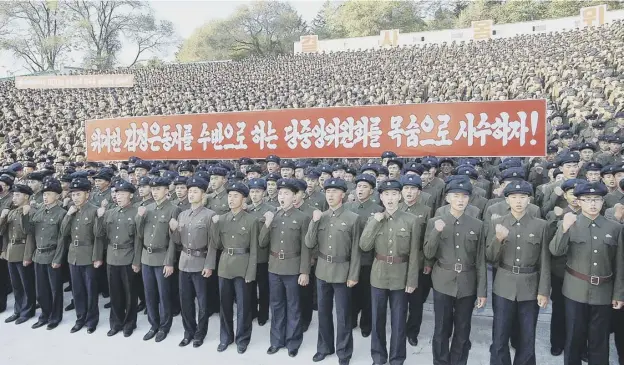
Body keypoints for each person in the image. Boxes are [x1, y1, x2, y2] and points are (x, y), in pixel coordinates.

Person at [550, 181, 624, 365]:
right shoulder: (569, 222)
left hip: (603, 293)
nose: (592, 204)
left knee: (600, 341)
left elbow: (620, 264)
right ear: (579, 201)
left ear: (602, 202)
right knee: (574, 338)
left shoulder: (614, 228)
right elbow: (556, 251)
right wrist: (564, 229)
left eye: (597, 200)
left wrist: (618, 294)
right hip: (575, 291)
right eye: (588, 199)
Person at [486, 180, 550, 365]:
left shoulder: (541, 225)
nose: (518, 201)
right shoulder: (497, 222)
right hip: (504, 285)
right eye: (514, 197)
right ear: (507, 200)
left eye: (523, 197)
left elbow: (545, 261)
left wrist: (543, 291)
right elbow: (489, 257)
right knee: (500, 335)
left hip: (530, 286)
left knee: (527, 336)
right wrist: (498, 239)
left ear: (529, 200)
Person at [423, 178, 487, 365]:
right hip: (443, 281)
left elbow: (481, 260)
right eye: (456, 196)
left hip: (467, 282)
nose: (460, 200)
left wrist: (482, 291)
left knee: (463, 327)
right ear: (448, 198)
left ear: (469, 199)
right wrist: (436, 232)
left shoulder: (477, 225)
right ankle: (440, 361)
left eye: (464, 196)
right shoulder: (436, 221)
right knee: (441, 327)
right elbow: (428, 252)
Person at [359, 179, 420, 365]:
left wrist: (412, 281)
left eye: (394, 194)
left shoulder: (411, 221)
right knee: (377, 319)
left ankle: (397, 358)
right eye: (386, 194)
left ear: (400, 196)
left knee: (399, 320)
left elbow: (415, 253)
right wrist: (374, 223)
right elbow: (364, 245)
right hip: (378, 275)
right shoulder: (374, 219)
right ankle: (378, 357)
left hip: (400, 277)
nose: (390, 198)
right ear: (381, 197)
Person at [305, 177, 361, 365]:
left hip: (343, 272)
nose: (330, 195)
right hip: (322, 270)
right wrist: (313, 222)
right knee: (323, 313)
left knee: (343, 315)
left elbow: (356, 250)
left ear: (343, 195)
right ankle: (324, 347)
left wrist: (353, 275)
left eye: (334, 192)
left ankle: (344, 352)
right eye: (328, 192)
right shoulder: (321, 216)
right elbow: (309, 243)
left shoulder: (353, 218)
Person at [259, 178, 311, 357]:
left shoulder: (303, 218)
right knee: (276, 305)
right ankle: (276, 341)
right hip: (274, 267)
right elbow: (262, 242)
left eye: (286, 193)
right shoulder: (273, 215)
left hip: (293, 268)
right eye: (280, 193)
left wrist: (304, 271)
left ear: (295, 196)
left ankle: (293, 342)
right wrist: (267, 223)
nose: (282, 197)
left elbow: (306, 248)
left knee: (294, 306)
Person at [211, 181, 258, 354]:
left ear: (243, 199)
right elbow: (216, 244)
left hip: (243, 265)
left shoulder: (251, 220)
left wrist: (250, 272)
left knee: (244, 307)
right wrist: (214, 226)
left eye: (235, 196)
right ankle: (226, 337)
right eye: (229, 196)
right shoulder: (222, 219)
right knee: (225, 305)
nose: (231, 199)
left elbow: (254, 250)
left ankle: (242, 339)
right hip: (225, 266)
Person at [170, 177, 215, 348]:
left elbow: (212, 244)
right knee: (185, 301)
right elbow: (177, 241)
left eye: (195, 191)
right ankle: (188, 332)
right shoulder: (182, 214)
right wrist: (173, 229)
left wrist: (209, 265)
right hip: (184, 263)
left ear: (203, 194)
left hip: (201, 263)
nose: (191, 194)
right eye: (189, 191)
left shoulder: (210, 215)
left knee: (203, 303)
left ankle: (199, 333)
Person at [136, 177, 181, 343]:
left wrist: (169, 262)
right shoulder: (146, 208)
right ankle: (153, 325)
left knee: (164, 295)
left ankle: (164, 326)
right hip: (147, 257)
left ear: (166, 191)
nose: (155, 192)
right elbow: (140, 235)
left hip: (162, 258)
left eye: (158, 189)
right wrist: (140, 218)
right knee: (149, 295)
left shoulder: (173, 209)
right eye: (153, 189)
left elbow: (172, 240)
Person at [95, 180, 140, 338]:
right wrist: (100, 218)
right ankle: (116, 323)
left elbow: (138, 240)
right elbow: (99, 235)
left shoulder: (136, 213)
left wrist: (136, 261)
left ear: (131, 195)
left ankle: (129, 323)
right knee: (115, 294)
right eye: (116, 193)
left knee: (129, 294)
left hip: (128, 257)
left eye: (122, 194)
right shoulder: (110, 212)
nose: (118, 196)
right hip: (112, 258)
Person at [60, 178, 103, 334]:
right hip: (74, 256)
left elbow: (98, 236)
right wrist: (68, 215)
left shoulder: (94, 210)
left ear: (88, 194)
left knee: (90, 290)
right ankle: (80, 318)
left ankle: (91, 320)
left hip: (89, 255)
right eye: (73, 195)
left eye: (79, 194)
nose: (75, 197)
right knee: (77, 290)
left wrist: (97, 257)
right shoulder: (71, 210)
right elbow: (63, 233)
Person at [345, 174, 384, 338]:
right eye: (359, 186)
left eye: (365, 187)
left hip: (368, 260)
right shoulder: (347, 207)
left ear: (372, 190)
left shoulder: (378, 210)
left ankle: (366, 324)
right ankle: (351, 320)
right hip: (349, 259)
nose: (360, 189)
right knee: (350, 294)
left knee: (367, 295)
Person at [30, 178, 66, 330]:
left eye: (49, 194)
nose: (45, 196)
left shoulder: (62, 213)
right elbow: (30, 232)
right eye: (44, 193)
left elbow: (62, 240)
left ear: (57, 196)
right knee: (41, 289)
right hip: (39, 255)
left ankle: (55, 317)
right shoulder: (39, 211)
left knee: (55, 289)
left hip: (52, 255)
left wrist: (58, 259)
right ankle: (44, 315)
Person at [1, 184, 35, 325]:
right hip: (11, 250)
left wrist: (27, 256)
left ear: (26, 196)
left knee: (26, 283)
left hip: (22, 250)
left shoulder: (30, 211)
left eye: (17, 195)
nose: (14, 198)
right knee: (16, 284)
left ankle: (28, 310)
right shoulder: (12, 212)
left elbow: (30, 236)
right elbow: (4, 233)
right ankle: (18, 309)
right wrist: (4, 250)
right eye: (13, 195)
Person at [246, 177, 276, 326]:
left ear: (263, 193)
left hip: (263, 255)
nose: (254, 195)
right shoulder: (247, 210)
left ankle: (263, 314)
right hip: (249, 255)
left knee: (263, 287)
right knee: (250, 286)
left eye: (257, 191)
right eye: (252, 191)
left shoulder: (271, 210)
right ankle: (252, 311)